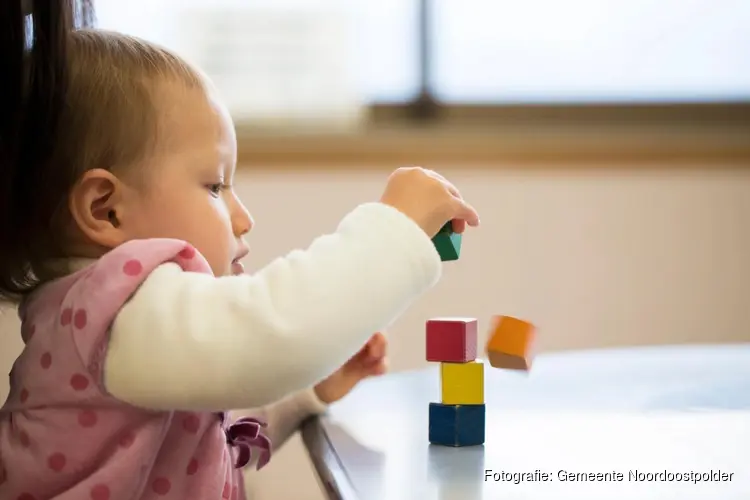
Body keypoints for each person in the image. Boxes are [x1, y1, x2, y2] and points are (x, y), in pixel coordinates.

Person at [0, 0, 480, 498]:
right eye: (214, 186)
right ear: (106, 210)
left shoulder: (121, 334)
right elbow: (272, 336)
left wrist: (306, 393)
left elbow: (199, 431)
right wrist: (392, 231)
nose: (242, 216)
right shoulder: (115, 312)